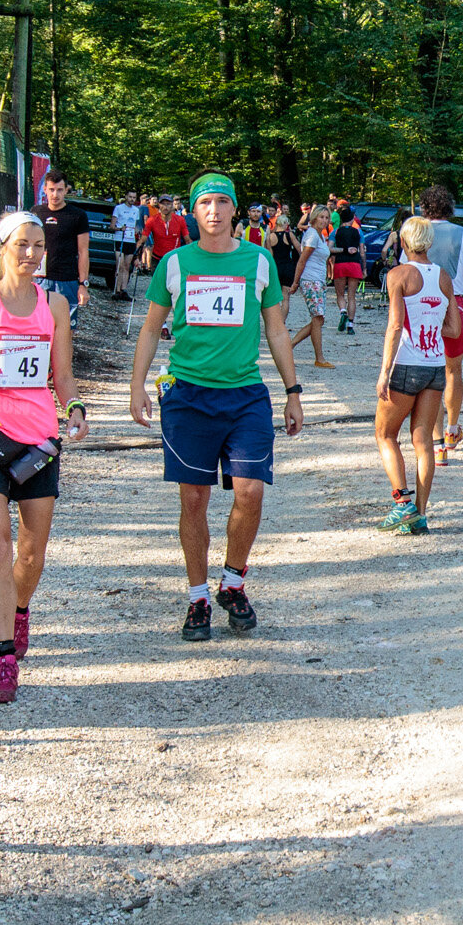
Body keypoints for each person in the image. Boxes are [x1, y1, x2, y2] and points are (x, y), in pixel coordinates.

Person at [129, 173, 306, 641]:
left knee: (250, 492)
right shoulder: (174, 263)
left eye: (221, 202)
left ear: (234, 210)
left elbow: (276, 330)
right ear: (194, 210)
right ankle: (197, 598)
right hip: (188, 396)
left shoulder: (260, 260)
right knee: (194, 500)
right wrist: (137, 386)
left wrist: (292, 391)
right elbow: (150, 330)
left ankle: (232, 581)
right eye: (204, 202)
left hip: (244, 393)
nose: (213, 210)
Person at [0, 211, 87, 705]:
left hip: (38, 441)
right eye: (21, 245)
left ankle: (21, 608)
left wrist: (73, 407)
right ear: (1, 247)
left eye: (38, 245)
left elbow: (63, 376)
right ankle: (4, 659)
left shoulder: (54, 306)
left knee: (31, 555)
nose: (31, 253)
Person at [374, 216, 460, 534]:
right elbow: (453, 327)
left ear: (405, 242)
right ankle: (420, 516)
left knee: (385, 435)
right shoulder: (443, 277)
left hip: (407, 364)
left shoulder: (398, 275)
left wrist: (384, 373)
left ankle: (402, 503)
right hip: (435, 365)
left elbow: (396, 326)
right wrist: (430, 321)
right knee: (423, 441)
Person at [416, 187, 463, 459]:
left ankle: (435, 442)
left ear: (424, 208)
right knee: (453, 370)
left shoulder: (416, 230)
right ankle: (451, 430)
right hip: (453, 304)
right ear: (450, 208)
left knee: (431, 370)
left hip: (422, 304)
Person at [35, 170, 89, 323]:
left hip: (67, 281)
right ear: (45, 189)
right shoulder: (36, 212)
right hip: (39, 280)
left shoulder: (78, 215)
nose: (55, 194)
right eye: (51, 190)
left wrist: (83, 285)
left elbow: (83, 251)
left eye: (59, 190)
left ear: (66, 190)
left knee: (65, 329)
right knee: (38, 328)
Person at [291, 208, 336, 368]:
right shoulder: (311, 235)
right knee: (317, 318)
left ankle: (290, 346)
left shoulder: (319, 235)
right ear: (314, 218)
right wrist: (296, 282)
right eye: (321, 217)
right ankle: (319, 358)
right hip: (310, 280)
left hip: (318, 280)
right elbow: (302, 260)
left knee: (319, 319)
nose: (324, 220)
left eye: (326, 217)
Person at [330, 208, 366, 333]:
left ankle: (343, 312)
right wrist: (364, 268)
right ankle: (350, 325)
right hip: (354, 264)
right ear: (352, 219)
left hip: (340, 264)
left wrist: (343, 250)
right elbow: (362, 252)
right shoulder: (359, 232)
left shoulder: (335, 232)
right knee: (352, 296)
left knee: (340, 294)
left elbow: (329, 248)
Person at [110, 189, 144, 300]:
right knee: (119, 265)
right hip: (120, 239)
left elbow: (136, 225)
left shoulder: (136, 210)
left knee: (126, 266)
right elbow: (112, 226)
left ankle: (124, 290)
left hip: (131, 240)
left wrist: (139, 230)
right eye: (130, 197)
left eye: (134, 197)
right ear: (126, 197)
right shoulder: (119, 208)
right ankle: (117, 289)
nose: (132, 199)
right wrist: (120, 228)